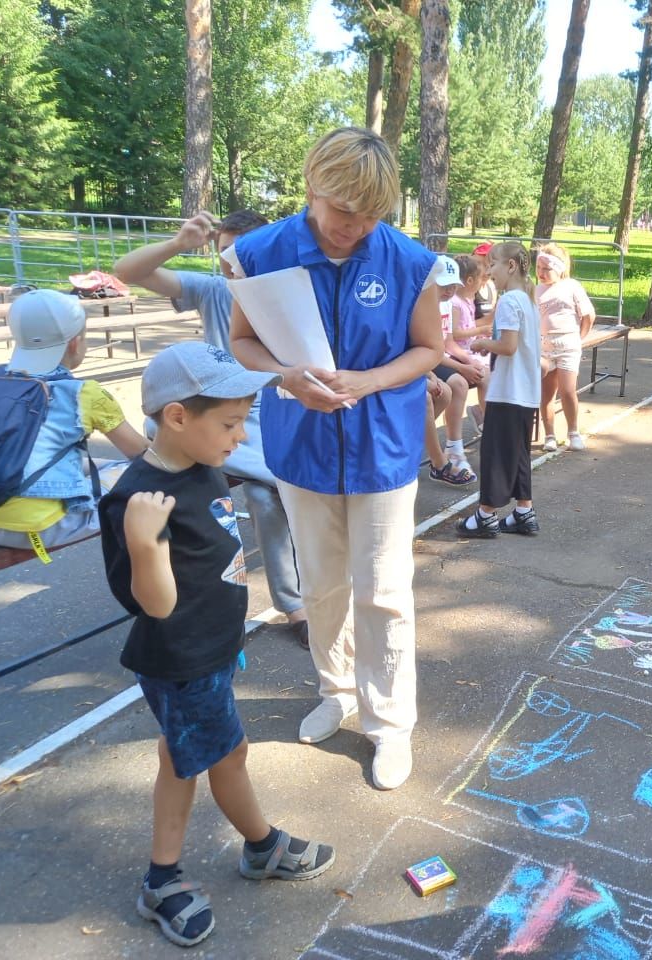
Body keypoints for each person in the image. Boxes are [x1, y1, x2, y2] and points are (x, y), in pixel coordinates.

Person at [227, 126, 444, 791]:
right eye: (345, 209)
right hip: (302, 446)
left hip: (383, 448)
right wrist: (285, 376)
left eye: (372, 213)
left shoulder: (409, 261)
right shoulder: (257, 253)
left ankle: (389, 724)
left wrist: (370, 380)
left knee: (382, 589)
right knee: (321, 583)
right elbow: (241, 343)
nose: (356, 226)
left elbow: (429, 350)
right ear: (312, 186)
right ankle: (336, 690)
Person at [98, 342, 335, 949]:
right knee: (225, 756)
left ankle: (170, 873)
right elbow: (154, 605)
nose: (238, 436)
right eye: (229, 423)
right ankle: (257, 849)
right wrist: (146, 545)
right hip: (183, 658)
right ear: (177, 416)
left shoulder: (201, 462)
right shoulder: (136, 503)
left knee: (184, 756)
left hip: (213, 649)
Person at [113, 211, 310, 648]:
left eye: (241, 251)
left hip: (272, 416)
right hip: (220, 422)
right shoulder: (216, 291)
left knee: (276, 490)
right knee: (269, 492)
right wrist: (176, 244)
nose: (231, 262)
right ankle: (295, 605)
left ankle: (305, 589)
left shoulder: (292, 297)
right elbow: (126, 272)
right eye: (225, 251)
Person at [0, 290, 147, 555]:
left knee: (97, 465)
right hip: (42, 528)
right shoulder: (84, 393)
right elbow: (143, 454)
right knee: (139, 472)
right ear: (74, 342)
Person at [455, 241, 541, 538]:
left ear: (511, 266)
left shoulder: (509, 301)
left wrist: (481, 344)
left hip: (508, 391)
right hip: (526, 391)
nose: (489, 272)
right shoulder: (527, 300)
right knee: (518, 452)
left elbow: (508, 346)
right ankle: (523, 510)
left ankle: (485, 514)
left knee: (495, 452)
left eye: (493, 265)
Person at [534, 242, 596, 451]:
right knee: (546, 394)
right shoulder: (536, 291)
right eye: (539, 269)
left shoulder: (571, 286)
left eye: (546, 269)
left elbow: (588, 315)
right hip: (544, 346)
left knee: (568, 390)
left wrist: (580, 337)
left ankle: (573, 432)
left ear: (559, 269)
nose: (541, 273)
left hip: (568, 344)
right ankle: (550, 435)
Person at [426, 254, 479, 482]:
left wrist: (467, 360)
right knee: (452, 385)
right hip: (426, 360)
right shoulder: (423, 305)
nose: (449, 291)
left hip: (434, 358)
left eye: (452, 286)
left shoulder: (446, 303)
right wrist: (460, 367)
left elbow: (446, 344)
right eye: (444, 285)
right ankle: (446, 454)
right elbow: (426, 350)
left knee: (468, 378)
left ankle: (453, 447)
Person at [450, 254, 493, 426]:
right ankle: (487, 419)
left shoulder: (468, 300)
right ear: (469, 280)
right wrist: (480, 330)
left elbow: (467, 327)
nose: (483, 283)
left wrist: (480, 336)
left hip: (470, 349)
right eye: (480, 279)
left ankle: (485, 413)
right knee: (486, 376)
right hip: (458, 352)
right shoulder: (455, 303)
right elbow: (454, 334)